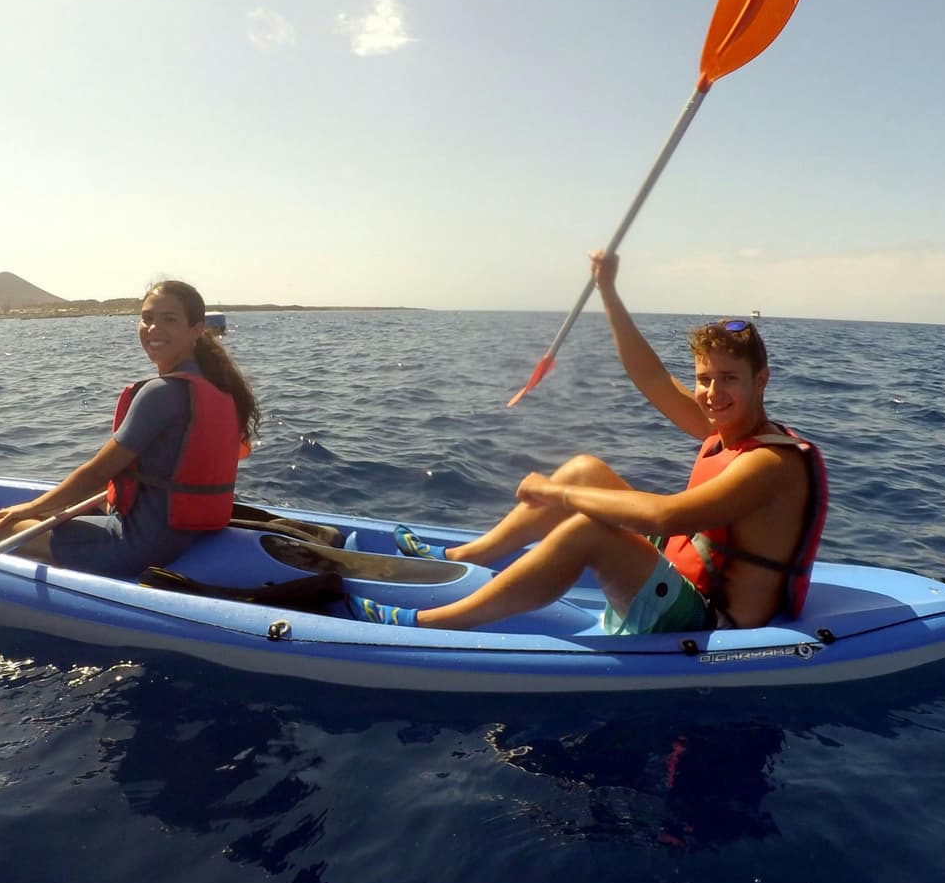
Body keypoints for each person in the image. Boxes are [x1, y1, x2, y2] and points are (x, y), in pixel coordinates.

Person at [350, 251, 827, 633]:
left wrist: (557, 495)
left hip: (712, 620)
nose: (712, 393)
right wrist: (608, 291)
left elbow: (668, 517)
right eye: (705, 378)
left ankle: (432, 624)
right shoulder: (723, 429)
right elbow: (654, 378)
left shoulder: (769, 463)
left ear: (760, 380)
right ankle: (461, 558)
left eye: (729, 379)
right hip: (682, 574)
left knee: (586, 528)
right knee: (583, 468)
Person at [0, 280, 259, 578]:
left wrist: (27, 509)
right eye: (147, 318)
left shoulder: (162, 392)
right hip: (188, 536)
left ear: (196, 328)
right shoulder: (220, 388)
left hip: (137, 548)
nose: (153, 329)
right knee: (88, 503)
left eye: (169, 319)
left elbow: (95, 474)